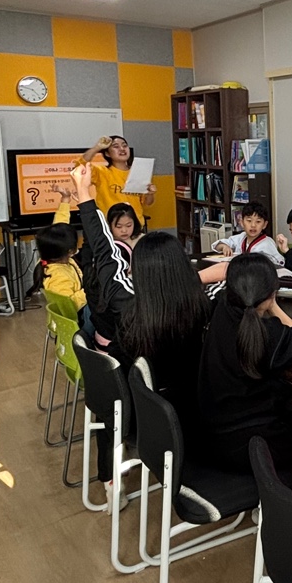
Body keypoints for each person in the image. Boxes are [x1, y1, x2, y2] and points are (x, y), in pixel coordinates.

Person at [69, 164, 209, 510]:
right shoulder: (194, 305)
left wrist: (84, 193)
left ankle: (110, 481)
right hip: (169, 408)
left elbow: (103, 248)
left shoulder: (120, 296)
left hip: (121, 402)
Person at [198, 253, 292, 491]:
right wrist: (274, 307)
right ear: (271, 293)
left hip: (212, 433)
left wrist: (268, 302)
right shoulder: (268, 336)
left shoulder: (222, 308)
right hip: (250, 447)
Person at [77, 135, 155, 226]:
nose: (122, 149)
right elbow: (80, 165)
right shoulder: (102, 172)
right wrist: (97, 148)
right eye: (116, 146)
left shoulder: (138, 172)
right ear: (107, 154)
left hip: (135, 226)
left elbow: (147, 203)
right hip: (110, 226)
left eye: (124, 145)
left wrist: (150, 193)